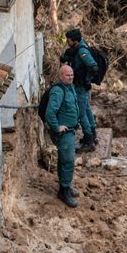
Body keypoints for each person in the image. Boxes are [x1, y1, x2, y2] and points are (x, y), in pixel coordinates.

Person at [45, 65, 81, 208]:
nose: (71, 77)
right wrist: (56, 126)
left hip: (70, 130)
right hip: (63, 133)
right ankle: (64, 191)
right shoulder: (58, 91)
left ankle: (65, 186)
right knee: (68, 161)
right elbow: (50, 113)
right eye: (68, 75)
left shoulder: (69, 87)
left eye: (72, 75)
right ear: (60, 76)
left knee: (64, 160)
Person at [60, 28, 99, 153]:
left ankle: (89, 141)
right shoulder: (79, 47)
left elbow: (93, 67)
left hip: (81, 85)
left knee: (81, 113)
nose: (67, 42)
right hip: (80, 85)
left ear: (75, 41)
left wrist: (86, 80)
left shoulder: (82, 51)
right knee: (87, 109)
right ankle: (93, 135)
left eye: (69, 40)